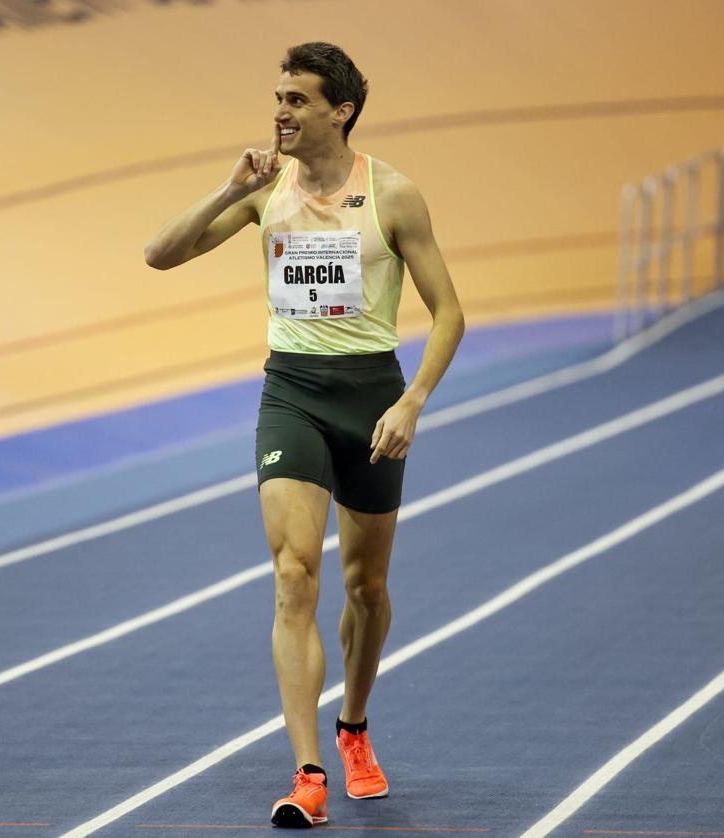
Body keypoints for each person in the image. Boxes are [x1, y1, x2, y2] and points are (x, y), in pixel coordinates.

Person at [145, 42, 463, 828]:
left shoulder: (392, 195)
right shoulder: (264, 190)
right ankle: (309, 772)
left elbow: (450, 313)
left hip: (371, 398)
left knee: (365, 588)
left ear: (340, 110)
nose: (280, 112)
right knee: (294, 579)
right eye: (277, 97)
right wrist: (230, 186)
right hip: (292, 393)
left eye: (296, 99)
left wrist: (413, 401)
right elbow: (159, 255)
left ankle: (354, 727)